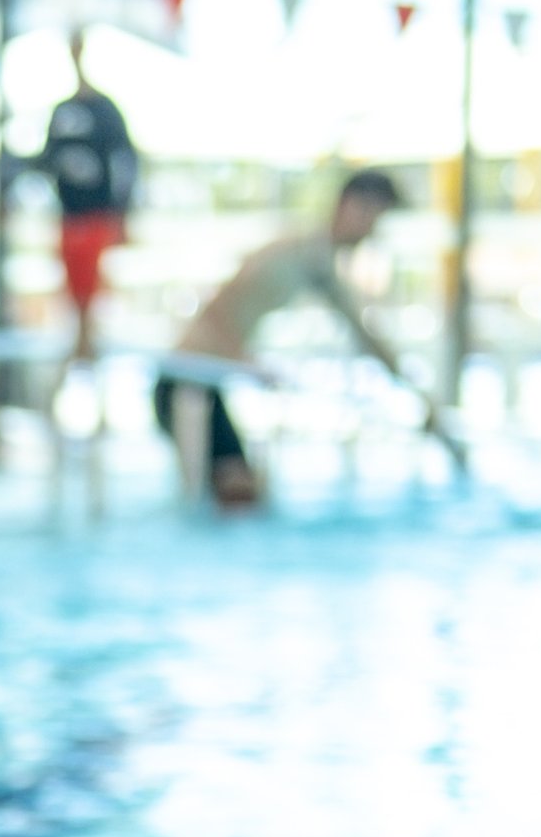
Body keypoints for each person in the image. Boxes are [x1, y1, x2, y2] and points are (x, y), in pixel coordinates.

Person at [155, 166, 433, 509]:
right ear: (350, 205)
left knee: (245, 498)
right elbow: (216, 312)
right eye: (374, 218)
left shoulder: (318, 266)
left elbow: (367, 339)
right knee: (230, 499)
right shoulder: (290, 254)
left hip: (208, 386)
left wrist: (420, 398)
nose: (373, 231)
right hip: (186, 383)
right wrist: (248, 363)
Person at [38, 32, 138, 366]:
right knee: (73, 285)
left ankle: (89, 343)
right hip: (71, 215)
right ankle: (80, 343)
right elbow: (47, 160)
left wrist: (123, 213)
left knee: (97, 287)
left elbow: (125, 161)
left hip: (98, 215)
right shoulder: (62, 110)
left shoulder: (106, 109)